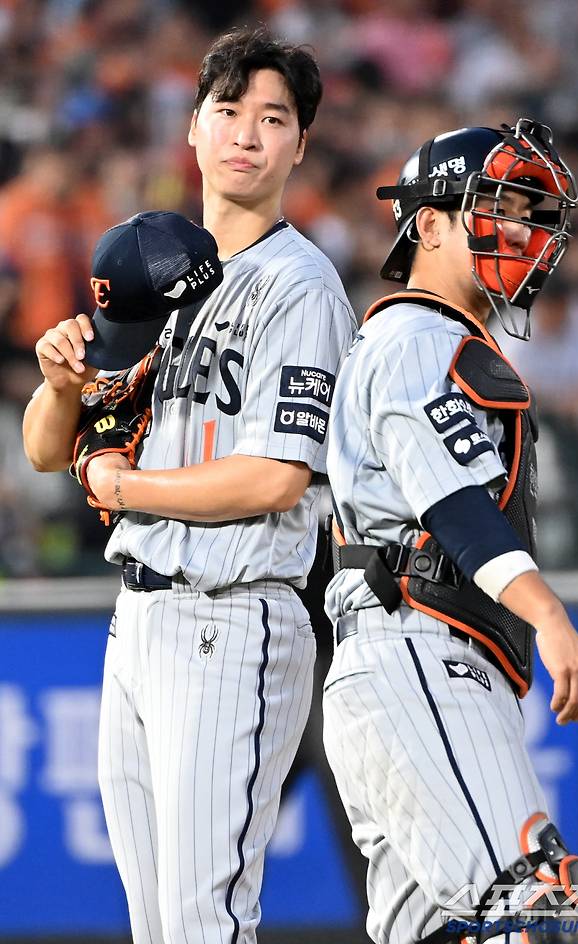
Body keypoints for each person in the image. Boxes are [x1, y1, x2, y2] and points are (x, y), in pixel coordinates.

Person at [23, 26, 355, 944]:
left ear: (300, 144)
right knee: (158, 924)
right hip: (138, 620)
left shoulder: (301, 286)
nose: (247, 132)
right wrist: (60, 385)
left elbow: (277, 478)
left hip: (234, 614)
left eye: (273, 118)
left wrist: (124, 488)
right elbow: (48, 450)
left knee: (205, 922)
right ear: (194, 128)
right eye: (229, 109)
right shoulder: (157, 264)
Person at [322, 120, 578, 944]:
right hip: (420, 651)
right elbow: (454, 504)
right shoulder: (418, 337)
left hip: (407, 659)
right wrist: (549, 616)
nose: (518, 231)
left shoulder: (420, 338)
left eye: (529, 214)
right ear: (431, 223)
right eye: (498, 208)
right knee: (540, 910)